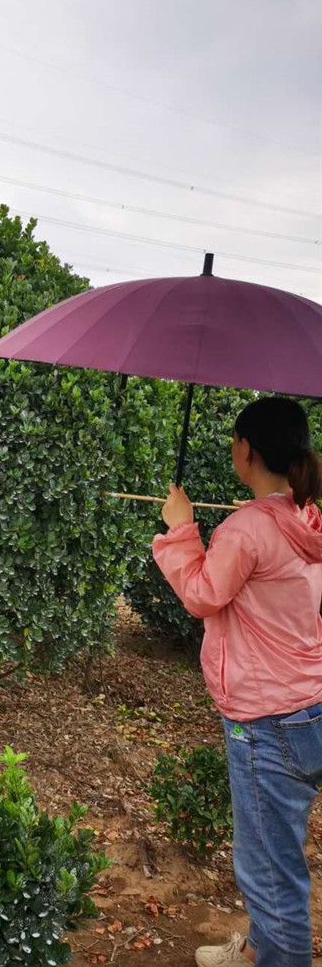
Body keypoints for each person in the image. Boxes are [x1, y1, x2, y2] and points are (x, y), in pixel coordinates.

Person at [151, 396, 322, 967]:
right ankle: (257, 950)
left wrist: (181, 528)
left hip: (266, 722)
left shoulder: (248, 529)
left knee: (270, 871)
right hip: (308, 706)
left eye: (234, 441)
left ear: (246, 450)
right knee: (276, 850)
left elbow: (203, 595)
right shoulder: (306, 517)